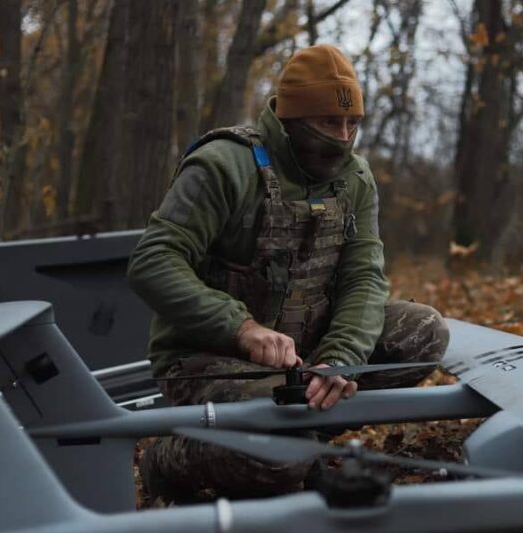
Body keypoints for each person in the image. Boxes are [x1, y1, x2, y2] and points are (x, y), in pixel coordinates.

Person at [127, 44, 449, 503]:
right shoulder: (225, 164)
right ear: (292, 120)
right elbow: (152, 260)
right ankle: (171, 457)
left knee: (423, 331)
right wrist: (240, 328)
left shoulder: (354, 179)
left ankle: (306, 440)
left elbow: (365, 277)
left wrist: (341, 359)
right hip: (208, 359)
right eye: (328, 123)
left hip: (305, 359)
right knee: (281, 456)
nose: (342, 136)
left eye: (352, 123)